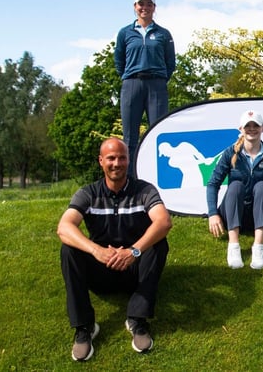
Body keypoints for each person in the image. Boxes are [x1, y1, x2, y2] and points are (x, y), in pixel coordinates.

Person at [57, 138, 172, 361]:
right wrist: (96, 251)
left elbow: (164, 222)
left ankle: (137, 319)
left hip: (134, 271)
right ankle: (85, 327)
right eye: (111, 158)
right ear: (101, 161)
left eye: (121, 158)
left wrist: (133, 252)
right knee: (68, 249)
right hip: (101, 271)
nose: (116, 163)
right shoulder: (88, 193)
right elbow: (64, 227)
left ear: (128, 161)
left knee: (159, 243)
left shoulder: (144, 190)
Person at [206, 110, 263, 269]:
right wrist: (213, 214)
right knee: (235, 185)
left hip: (259, 215)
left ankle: (258, 246)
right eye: (248, 126)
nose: (252, 129)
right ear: (240, 129)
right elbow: (213, 184)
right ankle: (233, 245)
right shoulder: (230, 153)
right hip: (235, 214)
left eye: (256, 125)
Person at [114, 0, 176, 176]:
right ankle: (131, 180)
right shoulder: (125, 33)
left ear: (154, 8)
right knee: (130, 137)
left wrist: (160, 78)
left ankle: (156, 177)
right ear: (135, 7)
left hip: (156, 85)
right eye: (141, 4)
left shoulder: (163, 34)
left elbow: (170, 63)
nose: (145, 8)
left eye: (149, 4)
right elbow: (119, 61)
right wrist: (129, 75)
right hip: (132, 83)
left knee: (158, 131)